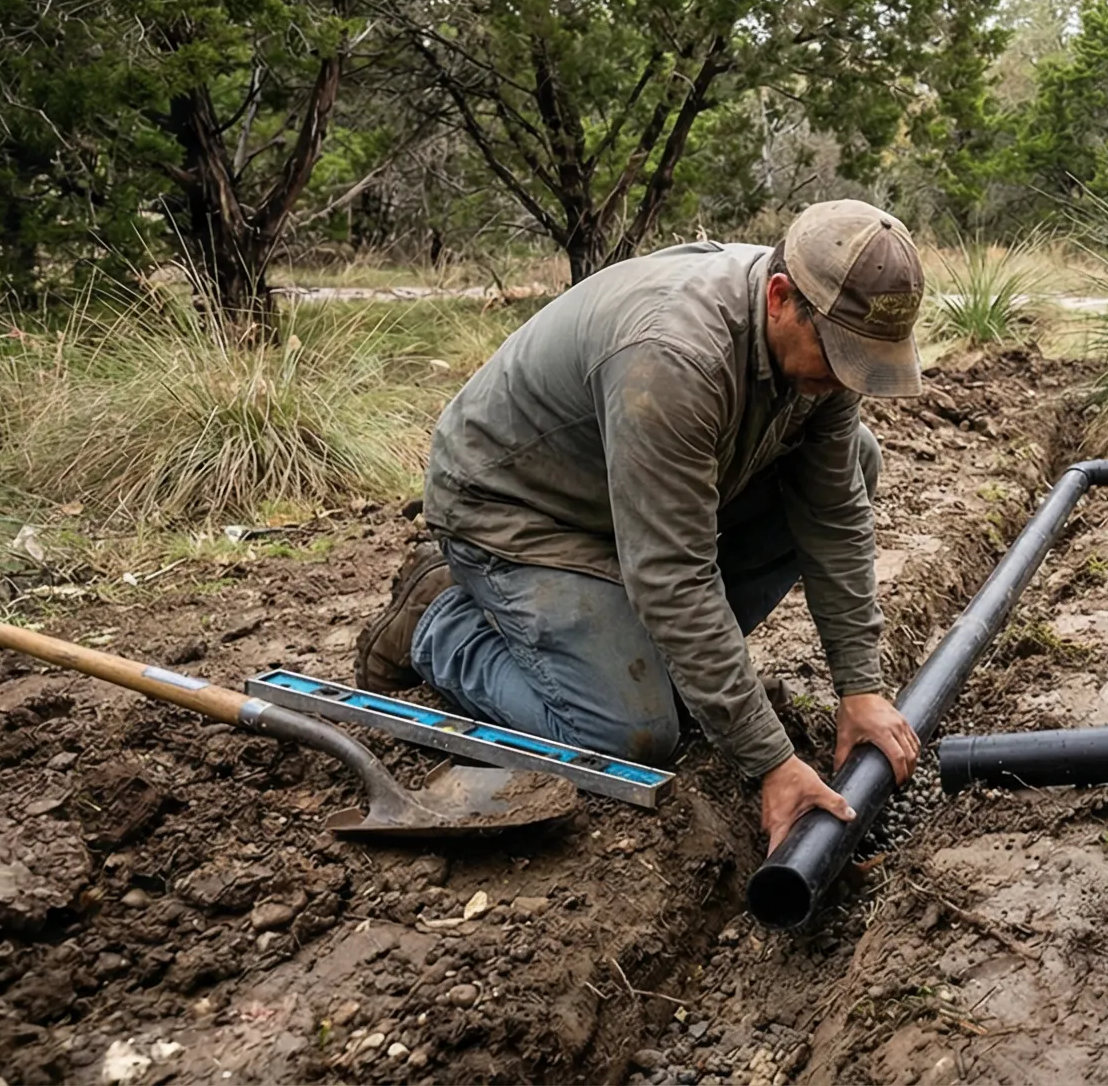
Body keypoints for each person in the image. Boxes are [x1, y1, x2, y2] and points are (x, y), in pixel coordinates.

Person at [355, 200, 926, 850]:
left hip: (632, 502)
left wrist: (861, 687)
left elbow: (834, 514)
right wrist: (770, 761)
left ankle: (648, 658)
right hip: (521, 512)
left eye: (863, 360)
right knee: (627, 735)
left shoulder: (821, 345)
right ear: (779, 298)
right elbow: (673, 575)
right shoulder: (673, 356)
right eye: (839, 354)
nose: (845, 377)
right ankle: (439, 624)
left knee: (857, 460)